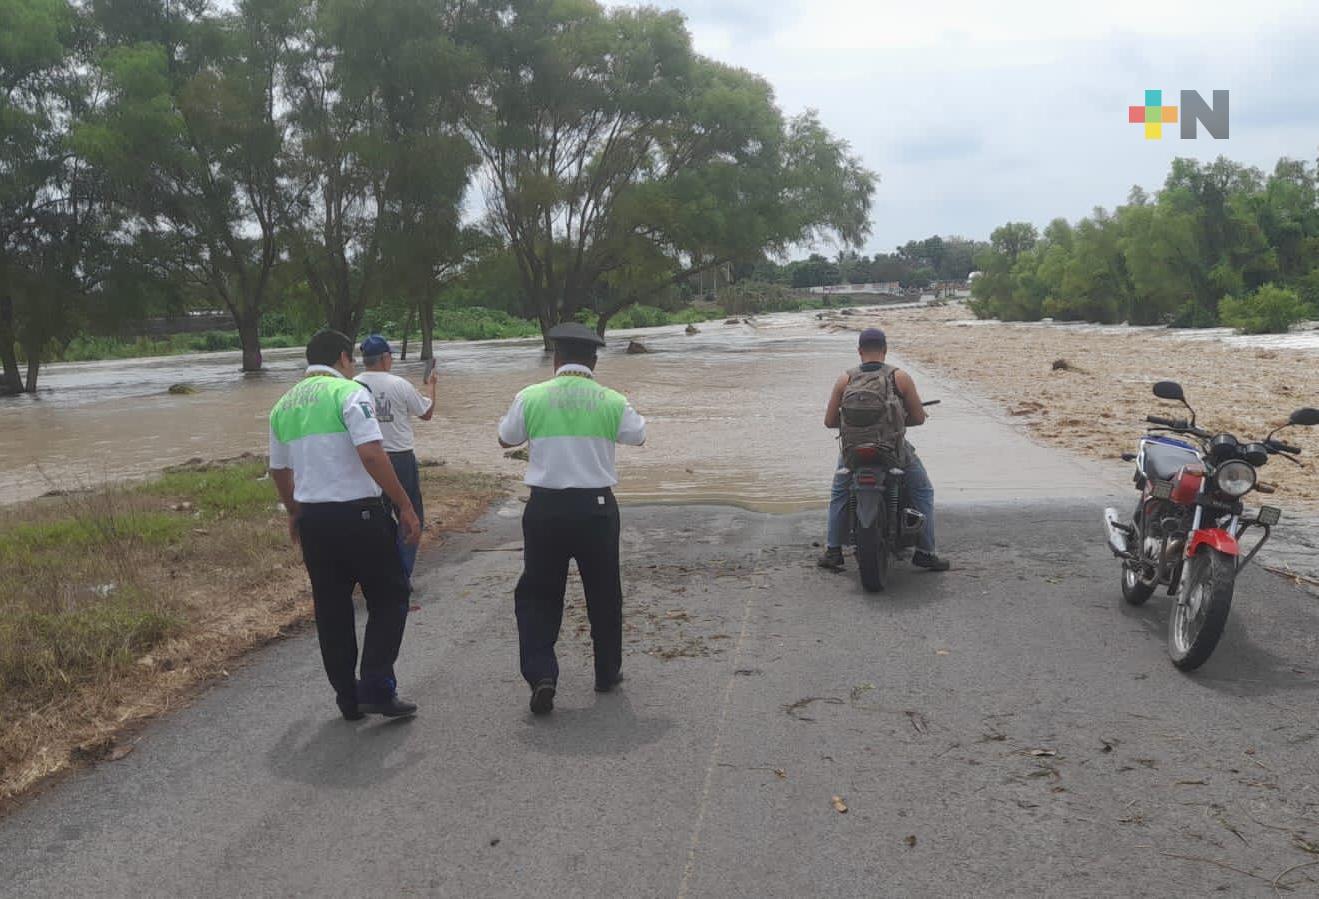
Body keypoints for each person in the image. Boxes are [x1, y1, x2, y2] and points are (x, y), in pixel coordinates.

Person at [268, 329, 423, 721]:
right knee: (390, 595)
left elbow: (279, 469)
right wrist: (404, 504)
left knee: (332, 610)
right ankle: (376, 685)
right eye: (351, 358)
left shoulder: (283, 405)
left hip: (314, 522)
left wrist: (293, 511)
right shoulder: (349, 393)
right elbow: (371, 453)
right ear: (342, 357)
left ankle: (347, 698)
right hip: (361, 516)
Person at [497, 323, 647, 715]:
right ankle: (606, 672)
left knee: (539, 593)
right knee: (604, 591)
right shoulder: (612, 399)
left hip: (545, 508)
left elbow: (506, 438)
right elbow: (638, 435)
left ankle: (542, 674)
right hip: (596, 508)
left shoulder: (530, 396)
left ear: (556, 359)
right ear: (594, 361)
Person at [818, 327, 951, 572]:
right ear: (885, 350)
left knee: (839, 492)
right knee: (923, 490)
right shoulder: (900, 378)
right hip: (891, 449)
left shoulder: (845, 379)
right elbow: (918, 418)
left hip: (853, 451)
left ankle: (833, 550)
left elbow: (829, 422)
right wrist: (896, 419)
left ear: (860, 351)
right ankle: (925, 552)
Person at [354, 334, 438, 582]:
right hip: (400, 459)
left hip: (366, 460)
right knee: (410, 515)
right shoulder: (399, 384)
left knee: (376, 517)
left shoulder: (352, 385)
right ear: (385, 358)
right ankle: (402, 572)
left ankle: (382, 571)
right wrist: (431, 386)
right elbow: (426, 413)